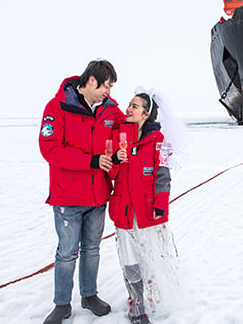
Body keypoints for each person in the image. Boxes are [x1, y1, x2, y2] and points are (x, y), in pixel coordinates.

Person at [39, 59, 126, 324]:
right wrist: (91, 160)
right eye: (106, 86)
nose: (108, 92)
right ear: (91, 81)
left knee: (91, 249)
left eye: (111, 87)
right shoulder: (57, 107)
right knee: (67, 252)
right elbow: (50, 148)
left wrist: (146, 125)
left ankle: (89, 295)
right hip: (67, 196)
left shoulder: (111, 110)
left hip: (98, 195)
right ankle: (62, 304)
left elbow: (127, 130)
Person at [109, 90, 181, 324]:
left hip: (148, 212)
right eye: (129, 104)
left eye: (135, 106)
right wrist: (117, 159)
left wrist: (160, 205)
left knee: (151, 259)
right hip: (124, 211)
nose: (128, 109)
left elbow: (163, 176)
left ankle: (156, 300)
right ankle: (136, 306)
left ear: (146, 114)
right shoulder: (118, 136)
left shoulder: (160, 140)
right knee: (130, 261)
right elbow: (109, 171)